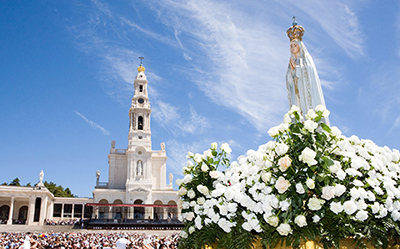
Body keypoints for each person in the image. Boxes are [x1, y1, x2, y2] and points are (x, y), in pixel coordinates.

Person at [286, 18, 330, 125]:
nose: (292, 48)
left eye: (295, 45)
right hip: (297, 94)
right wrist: (291, 72)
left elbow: (308, 73)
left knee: (308, 112)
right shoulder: (291, 61)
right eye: (291, 46)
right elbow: (289, 80)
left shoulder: (305, 59)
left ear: (300, 47)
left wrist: (296, 68)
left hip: (306, 94)